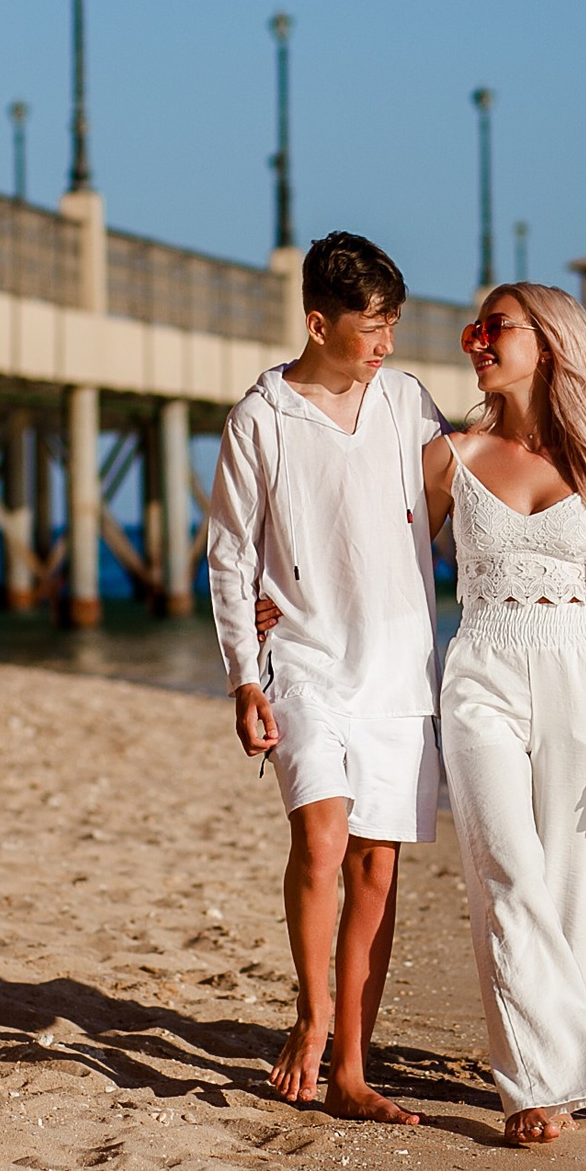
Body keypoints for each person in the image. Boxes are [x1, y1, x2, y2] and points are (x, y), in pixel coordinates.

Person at [427, 282, 586, 1146]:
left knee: (583, 876)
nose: (477, 341)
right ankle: (533, 1078)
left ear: (551, 342)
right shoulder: (448, 456)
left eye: (495, 327)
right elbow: (377, 558)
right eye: (474, 329)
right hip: (481, 672)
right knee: (508, 869)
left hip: (579, 675)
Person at [207, 232, 445, 1125]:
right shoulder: (260, 418)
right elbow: (229, 555)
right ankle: (312, 1015)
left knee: (378, 870)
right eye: (372, 326)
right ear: (319, 322)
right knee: (322, 840)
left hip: (397, 665)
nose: (386, 343)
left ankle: (351, 1065)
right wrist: (243, 674)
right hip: (302, 661)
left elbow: (475, 477)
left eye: (393, 325)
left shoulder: (408, 402)